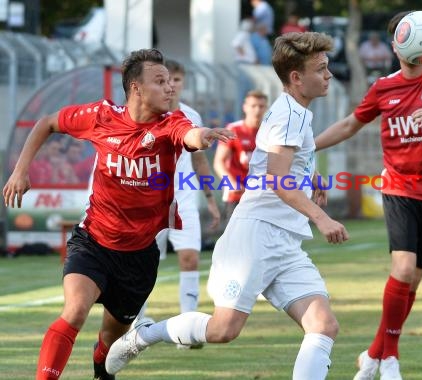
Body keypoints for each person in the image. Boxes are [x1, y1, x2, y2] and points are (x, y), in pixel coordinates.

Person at [105, 32, 349, 379]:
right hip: (255, 237)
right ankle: (146, 336)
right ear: (296, 77)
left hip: (284, 241)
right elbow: (279, 181)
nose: (329, 76)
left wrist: (311, 177)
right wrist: (322, 219)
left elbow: (277, 166)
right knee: (223, 330)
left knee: (323, 325)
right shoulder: (288, 116)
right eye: (321, 69)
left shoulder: (298, 113)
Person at [2, 48, 233, 380]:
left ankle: (103, 373)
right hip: (93, 241)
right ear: (136, 88)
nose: (170, 87)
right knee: (75, 311)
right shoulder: (100, 116)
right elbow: (48, 122)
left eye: (170, 80)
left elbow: (188, 135)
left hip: (139, 255)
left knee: (111, 339)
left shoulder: (172, 122)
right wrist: (20, 170)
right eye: (160, 81)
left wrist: (202, 135)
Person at [313, 11, 422, 380]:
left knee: (411, 282)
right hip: (398, 188)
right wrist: (306, 148)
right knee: (404, 269)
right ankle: (391, 359)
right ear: (396, 44)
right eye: (401, 35)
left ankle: (373, 354)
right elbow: (350, 124)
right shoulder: (383, 87)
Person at [135, 59, 221, 349]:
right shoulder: (145, 115)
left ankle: (188, 330)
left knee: (190, 258)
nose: (172, 85)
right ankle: (135, 324)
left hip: (183, 201)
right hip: (150, 203)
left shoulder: (191, 116)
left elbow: (199, 160)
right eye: (166, 80)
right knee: (145, 263)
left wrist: (210, 198)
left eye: (178, 80)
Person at [213, 89, 268, 223]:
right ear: (245, 107)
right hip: (236, 195)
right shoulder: (233, 129)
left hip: (260, 195)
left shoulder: (269, 132)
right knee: (234, 239)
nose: (257, 110)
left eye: (261, 106)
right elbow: (218, 162)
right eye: (253, 106)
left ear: (266, 108)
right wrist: (231, 182)